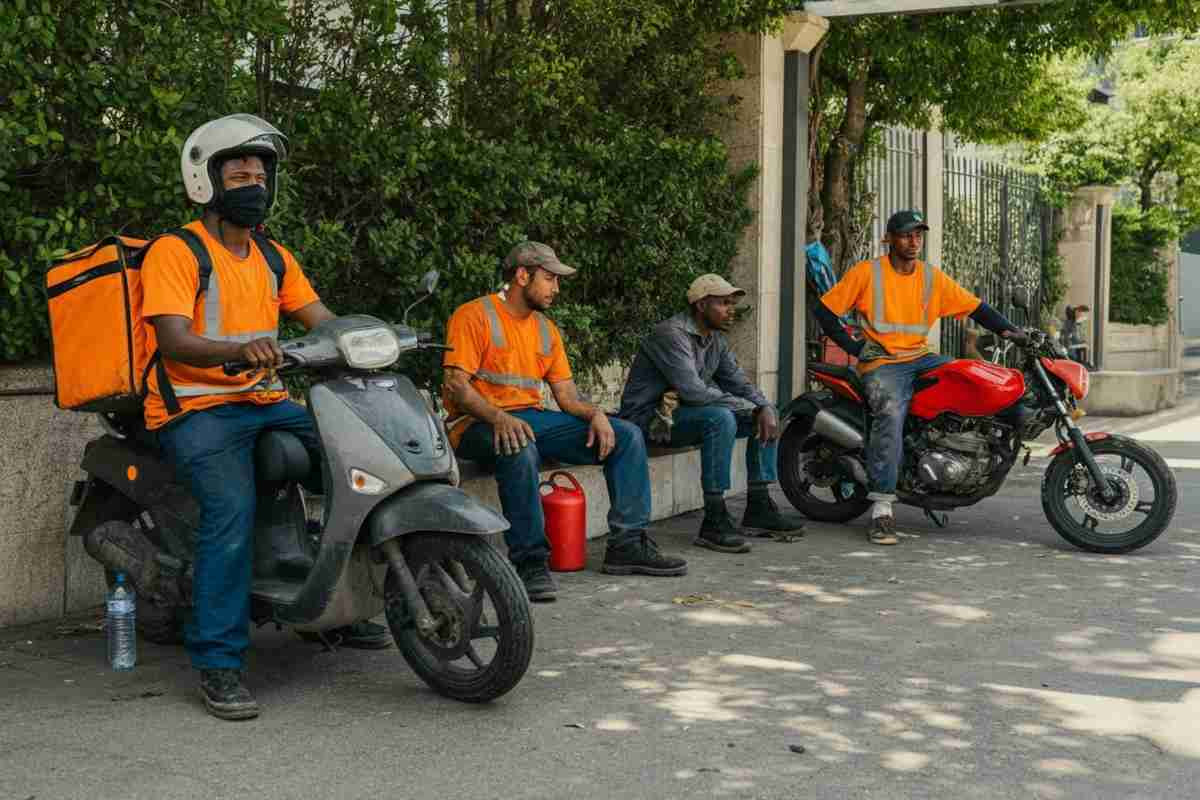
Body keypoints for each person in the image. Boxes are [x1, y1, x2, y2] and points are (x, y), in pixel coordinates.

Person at [92, 114, 388, 721]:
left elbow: (321, 320)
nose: (253, 181)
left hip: (265, 402)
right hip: (196, 409)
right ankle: (219, 662)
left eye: (260, 173)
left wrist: (373, 336)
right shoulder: (176, 252)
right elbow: (173, 340)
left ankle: (338, 601)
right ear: (207, 179)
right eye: (240, 172)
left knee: (365, 461)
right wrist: (237, 352)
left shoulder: (274, 257)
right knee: (230, 511)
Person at [442, 242, 688, 602]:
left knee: (627, 436)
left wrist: (597, 414)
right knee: (519, 444)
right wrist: (499, 418)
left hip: (533, 421)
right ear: (522, 276)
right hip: (477, 425)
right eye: (550, 279)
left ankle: (627, 544)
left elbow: (567, 397)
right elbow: (456, 386)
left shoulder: (546, 329)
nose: (556, 288)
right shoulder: (473, 315)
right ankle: (530, 562)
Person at [812, 209, 1026, 546]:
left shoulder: (929, 277)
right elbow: (824, 310)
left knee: (972, 379)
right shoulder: (868, 273)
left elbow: (975, 307)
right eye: (906, 235)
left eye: (918, 235)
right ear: (889, 239)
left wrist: (1012, 332)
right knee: (891, 411)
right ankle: (882, 507)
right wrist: (852, 347)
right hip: (883, 362)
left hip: (922, 357)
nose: (913, 242)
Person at [617, 275, 807, 554]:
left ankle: (758, 504)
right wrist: (752, 408)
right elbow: (693, 391)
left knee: (765, 412)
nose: (731, 309)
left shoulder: (714, 340)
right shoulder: (671, 334)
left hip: (683, 416)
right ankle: (714, 519)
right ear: (702, 305)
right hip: (648, 420)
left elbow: (738, 382)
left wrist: (763, 406)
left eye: (733, 303)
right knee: (721, 418)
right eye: (724, 303)